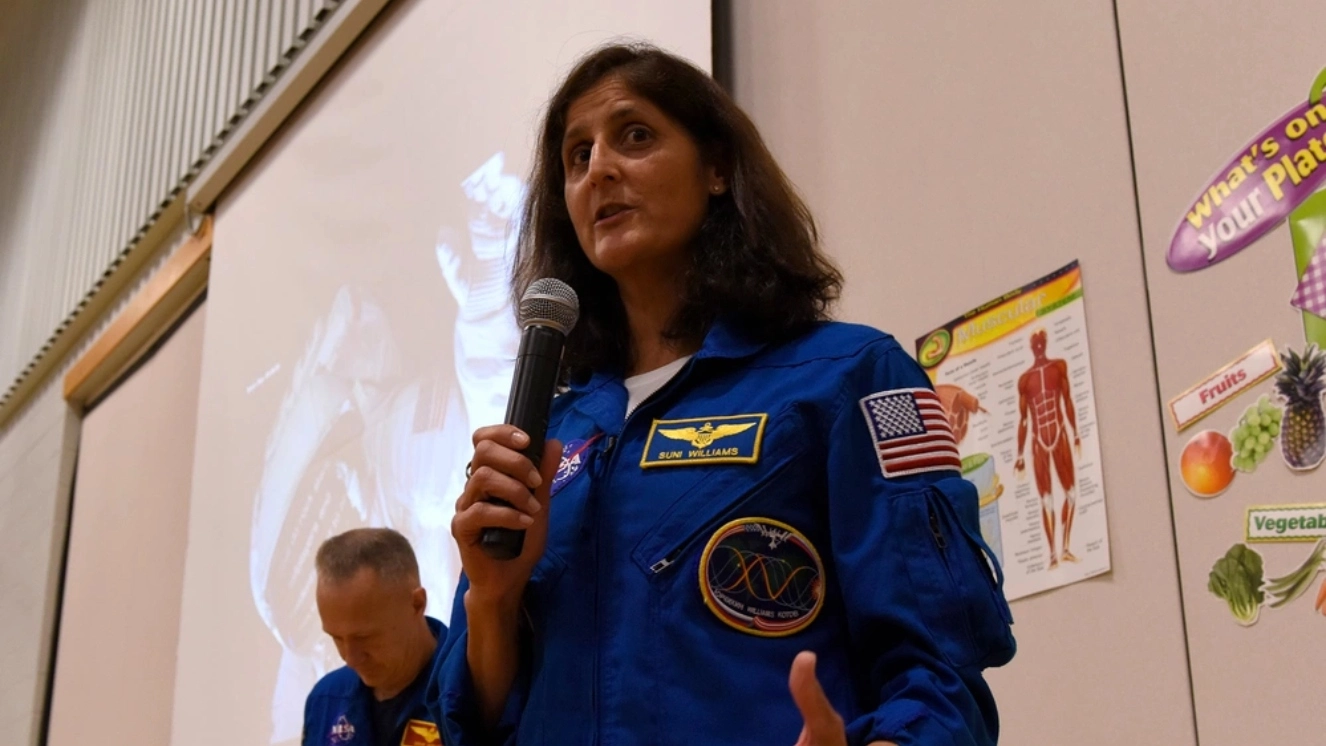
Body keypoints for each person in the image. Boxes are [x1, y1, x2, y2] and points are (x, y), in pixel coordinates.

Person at [432, 42, 1015, 745]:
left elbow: (940, 674)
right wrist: (492, 601)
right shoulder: (552, 434)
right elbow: (478, 723)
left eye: (635, 136)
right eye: (576, 156)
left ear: (716, 168)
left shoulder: (854, 376)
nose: (599, 170)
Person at [304, 528, 448, 746]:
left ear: (416, 604)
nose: (350, 658)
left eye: (364, 637)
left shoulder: (473, 690)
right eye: (337, 638)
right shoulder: (326, 698)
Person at [1014, 329, 1081, 569]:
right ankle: (1052, 553)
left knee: (1071, 494)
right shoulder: (1025, 380)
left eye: (1041, 342)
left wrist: (1075, 434)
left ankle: (1065, 547)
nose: (1039, 347)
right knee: (1046, 500)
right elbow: (1023, 420)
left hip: (1059, 433)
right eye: (1036, 344)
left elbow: (1068, 401)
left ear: (1045, 343)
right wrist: (1019, 454)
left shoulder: (1058, 367)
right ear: (1032, 348)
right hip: (1038, 441)